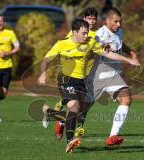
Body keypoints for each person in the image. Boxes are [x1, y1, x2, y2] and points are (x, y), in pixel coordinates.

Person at [38, 19, 139, 153]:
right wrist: (43, 74)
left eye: (87, 33)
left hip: (82, 82)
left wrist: (128, 60)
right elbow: (45, 60)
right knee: (73, 107)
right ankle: (69, 142)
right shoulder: (61, 44)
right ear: (74, 32)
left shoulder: (90, 42)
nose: (87, 36)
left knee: (77, 112)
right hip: (66, 80)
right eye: (84, 33)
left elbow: (108, 53)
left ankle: (50, 112)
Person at [83, 8, 139, 146]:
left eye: (120, 21)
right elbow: (91, 49)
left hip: (114, 75)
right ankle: (61, 121)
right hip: (98, 76)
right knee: (81, 108)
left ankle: (113, 136)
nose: (119, 24)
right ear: (107, 21)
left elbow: (120, 43)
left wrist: (130, 52)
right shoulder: (99, 34)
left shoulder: (119, 31)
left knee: (126, 100)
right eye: (115, 21)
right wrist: (128, 60)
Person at [41, 7, 100, 140]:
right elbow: (68, 47)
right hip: (71, 77)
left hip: (88, 77)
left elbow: (100, 49)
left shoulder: (98, 34)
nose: (91, 21)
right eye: (89, 18)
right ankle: (70, 138)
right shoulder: (76, 33)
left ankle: (51, 113)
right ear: (84, 19)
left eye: (94, 18)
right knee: (74, 108)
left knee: (80, 111)